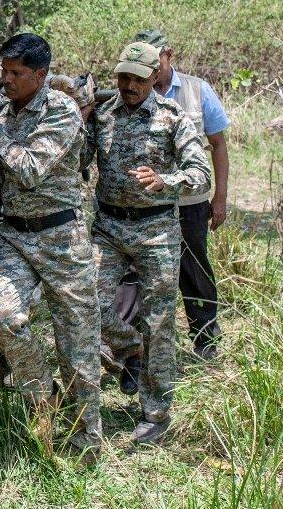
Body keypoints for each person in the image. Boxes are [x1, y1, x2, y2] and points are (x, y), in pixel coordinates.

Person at [0, 33, 103, 457]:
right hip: (14, 236)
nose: (5, 80)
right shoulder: (4, 111)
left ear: (41, 75)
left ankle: (87, 440)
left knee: (77, 345)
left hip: (62, 239)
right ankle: (42, 396)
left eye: (16, 73)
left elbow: (28, 170)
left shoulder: (62, 112)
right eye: (3, 71)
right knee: (3, 319)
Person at [85, 41, 210, 445]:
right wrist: (77, 118)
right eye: (123, 76)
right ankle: (131, 350)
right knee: (88, 301)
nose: (128, 85)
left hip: (156, 230)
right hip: (108, 228)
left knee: (159, 319)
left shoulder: (174, 118)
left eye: (137, 78)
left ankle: (155, 412)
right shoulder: (103, 116)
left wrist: (165, 181)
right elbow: (76, 161)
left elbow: (200, 173)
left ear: (155, 76)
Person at [139, 29, 230, 359]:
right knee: (142, 273)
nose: (150, 68)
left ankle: (205, 337)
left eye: (155, 59)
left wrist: (219, 199)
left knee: (194, 269)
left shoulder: (197, 90)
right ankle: (138, 350)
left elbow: (218, 145)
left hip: (190, 202)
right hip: (147, 204)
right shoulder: (134, 89)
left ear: (168, 54)